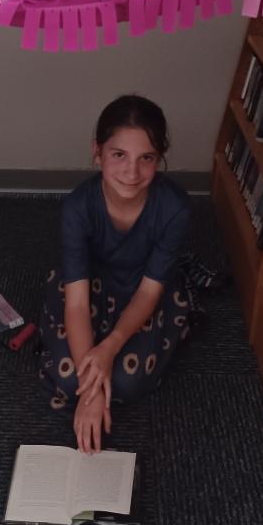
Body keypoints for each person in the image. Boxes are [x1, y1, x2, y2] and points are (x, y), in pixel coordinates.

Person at [39, 94, 192, 454]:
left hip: (142, 289)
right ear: (98, 152)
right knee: (71, 374)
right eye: (119, 155)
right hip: (89, 285)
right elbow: (76, 304)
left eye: (147, 158)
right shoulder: (77, 207)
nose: (132, 172)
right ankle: (92, 379)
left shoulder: (175, 208)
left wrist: (108, 348)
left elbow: (149, 293)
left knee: (126, 380)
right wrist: (91, 392)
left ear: (159, 159)